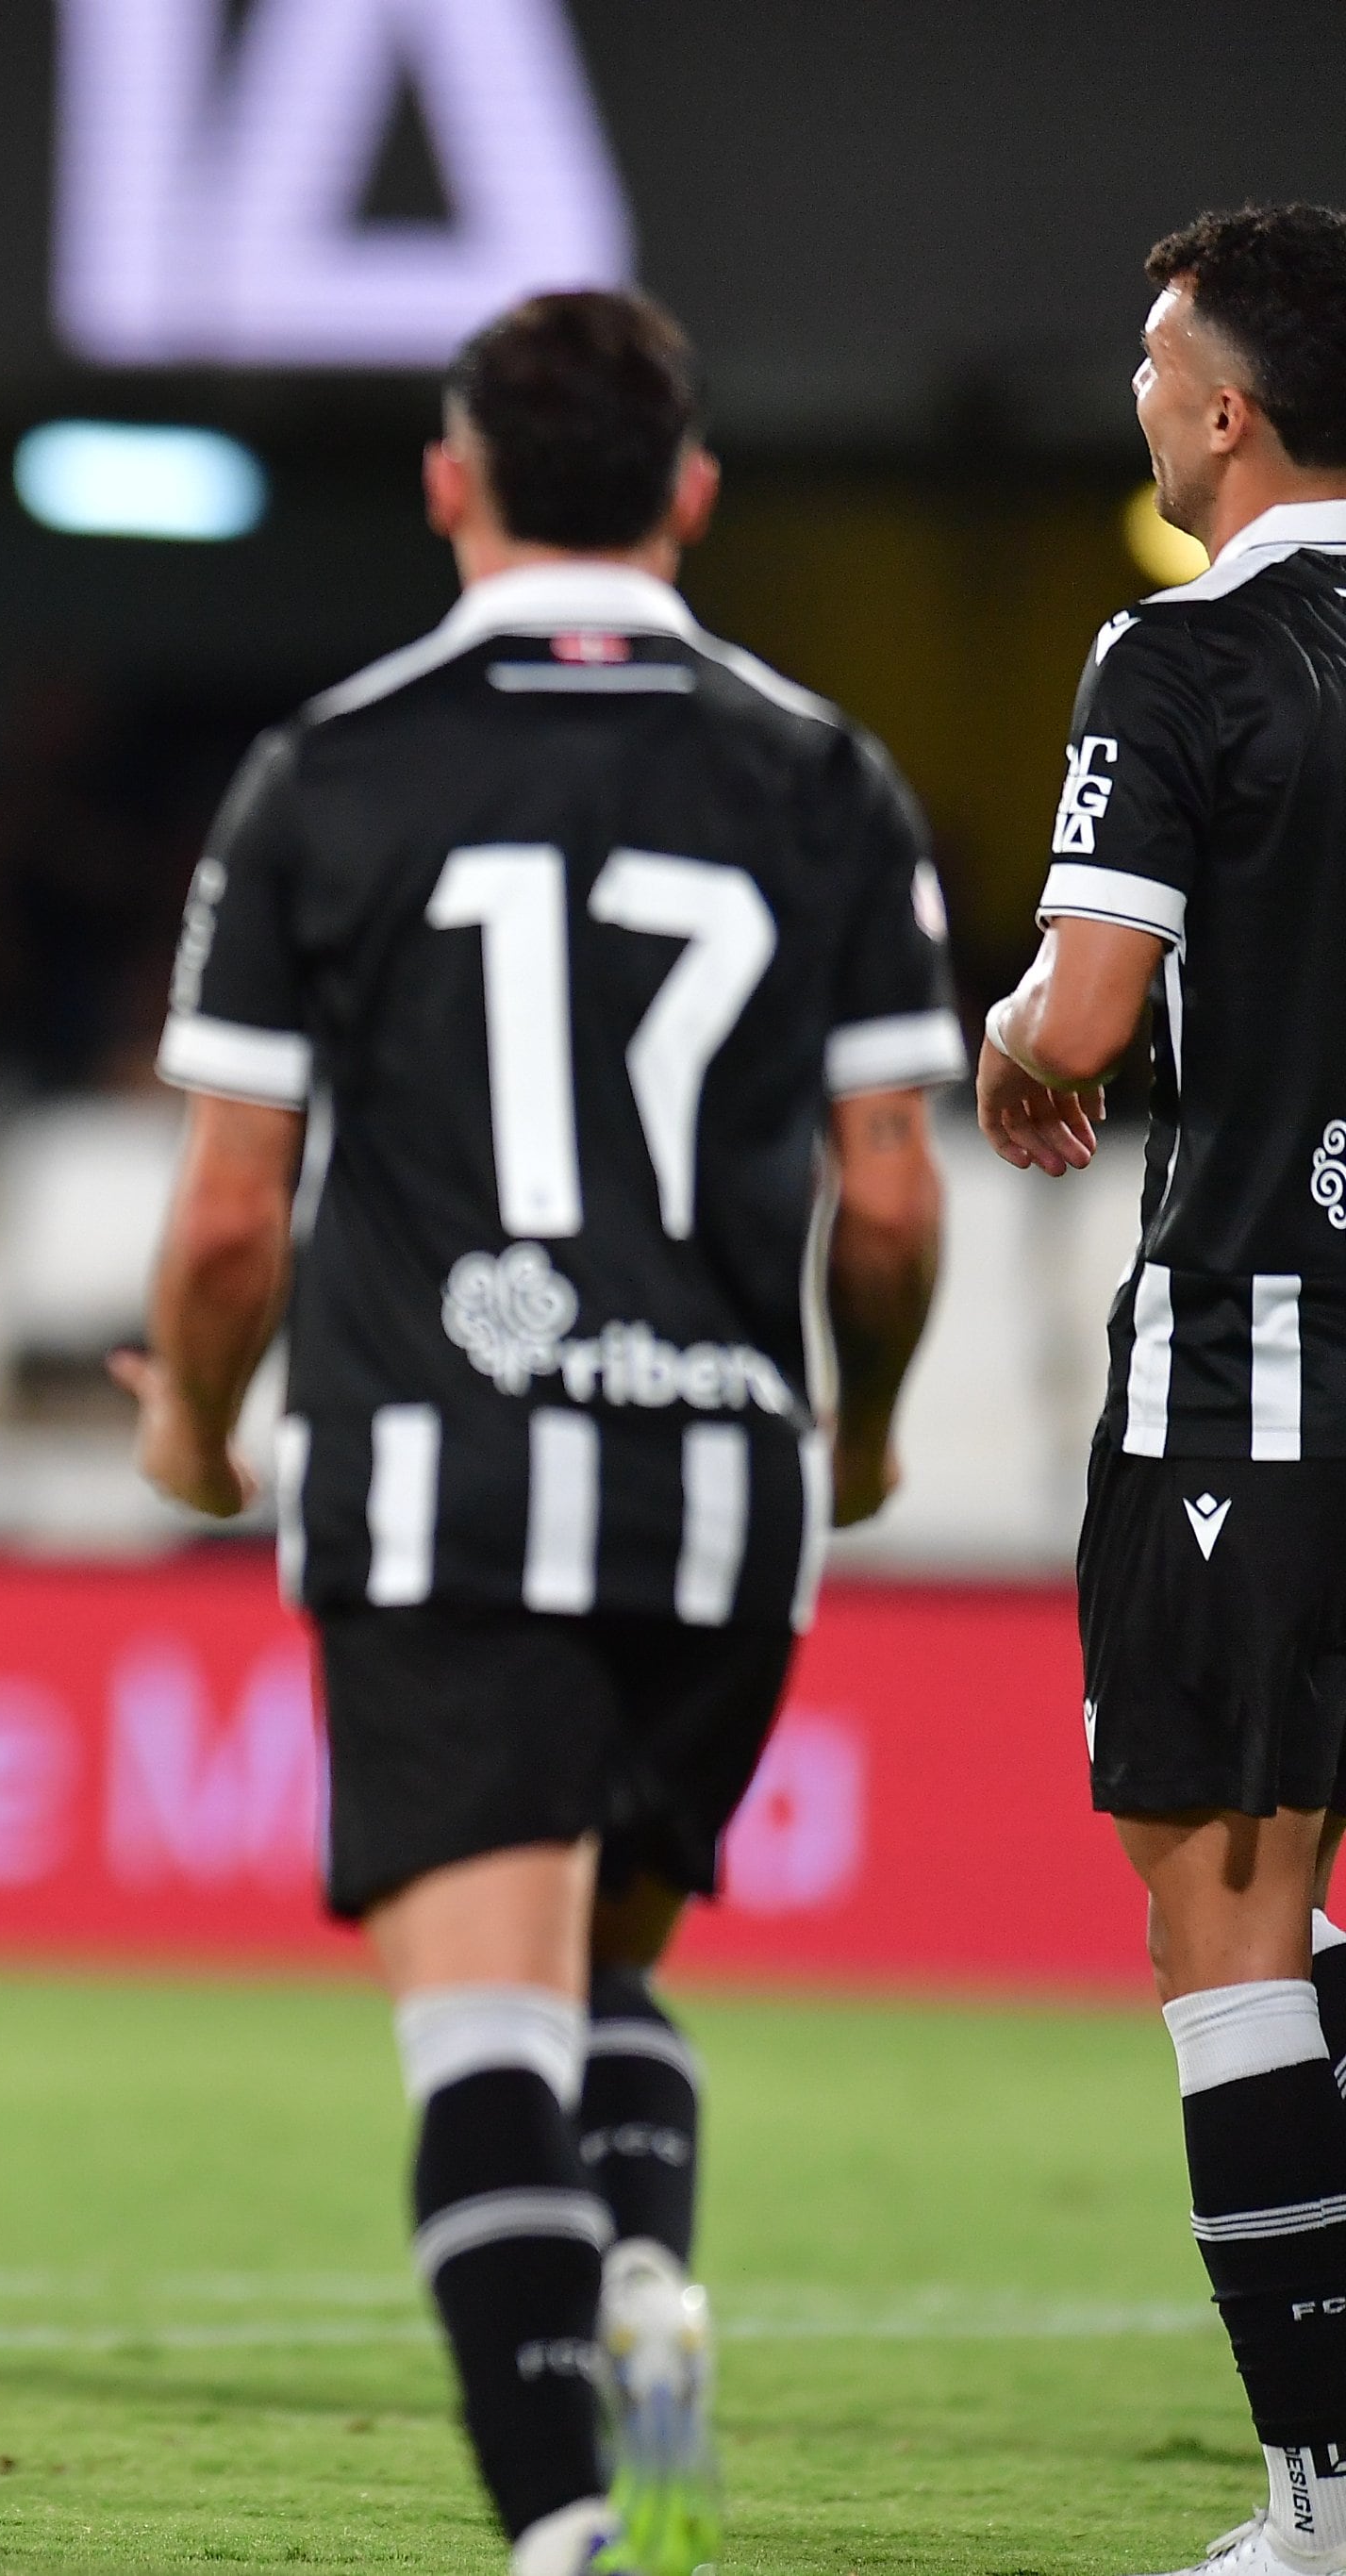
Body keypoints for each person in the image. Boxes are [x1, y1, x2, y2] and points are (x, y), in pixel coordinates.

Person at [123, 288, 954, 2576]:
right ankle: (646, 2274)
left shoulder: (334, 765)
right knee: (610, 1978)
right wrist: (857, 1439)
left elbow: (223, 1220)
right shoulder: (825, 773)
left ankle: (575, 2525)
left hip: (445, 1482)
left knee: (484, 2030)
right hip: (715, 1489)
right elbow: (892, 1200)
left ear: (446, 483)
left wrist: (196, 1430)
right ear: (691, 495)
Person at [975, 206, 1346, 2576]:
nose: (1133, 392)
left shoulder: (1183, 660)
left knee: (1227, 1918)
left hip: (1260, 1363)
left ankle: (1323, 2503)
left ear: (1220, 411)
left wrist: (1017, 1031)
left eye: (1148, 360)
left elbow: (1089, 1018)